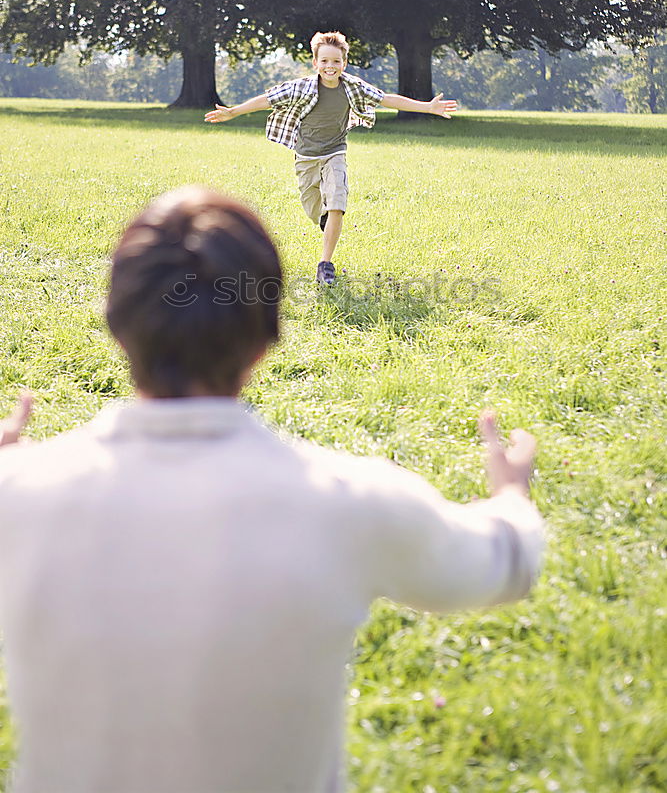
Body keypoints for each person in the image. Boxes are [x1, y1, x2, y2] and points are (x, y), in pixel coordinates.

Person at [0, 186, 543, 793]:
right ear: (264, 341)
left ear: (117, 328)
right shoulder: (350, 499)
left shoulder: (17, 495)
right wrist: (512, 495)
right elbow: (506, 564)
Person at [204, 31, 458, 284]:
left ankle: (325, 264)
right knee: (314, 209)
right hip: (305, 157)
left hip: (335, 152)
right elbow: (269, 99)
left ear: (344, 64)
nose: (330, 66)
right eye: (324, 61)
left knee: (337, 202)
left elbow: (386, 99)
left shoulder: (352, 87)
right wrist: (234, 111)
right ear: (315, 63)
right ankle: (326, 220)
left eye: (336, 61)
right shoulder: (301, 87)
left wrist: (427, 107)